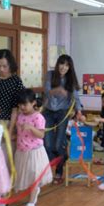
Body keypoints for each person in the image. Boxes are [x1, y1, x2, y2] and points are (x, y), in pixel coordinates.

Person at [42, 54, 83, 184]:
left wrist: (79, 111)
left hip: (62, 113)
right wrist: (58, 90)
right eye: (61, 64)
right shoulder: (50, 75)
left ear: (69, 67)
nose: (63, 67)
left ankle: (59, 171)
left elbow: (76, 97)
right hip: (48, 111)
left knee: (58, 143)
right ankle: (62, 157)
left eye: (66, 65)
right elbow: (47, 91)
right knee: (47, 144)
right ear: (57, 64)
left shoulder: (70, 79)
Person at [14, 89, 52, 206]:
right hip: (22, 151)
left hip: (35, 152)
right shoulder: (20, 116)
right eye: (20, 104)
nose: (22, 107)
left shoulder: (38, 117)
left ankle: (31, 203)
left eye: (25, 104)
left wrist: (31, 127)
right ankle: (33, 194)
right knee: (26, 177)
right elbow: (19, 133)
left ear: (33, 103)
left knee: (34, 176)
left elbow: (41, 134)